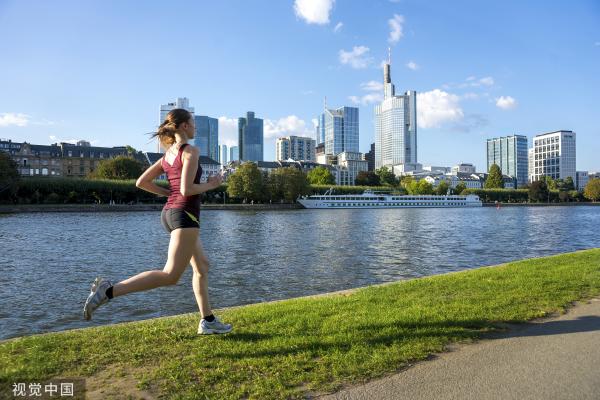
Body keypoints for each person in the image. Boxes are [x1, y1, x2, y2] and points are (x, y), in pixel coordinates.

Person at [83, 108, 232, 335]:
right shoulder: (190, 151)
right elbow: (187, 189)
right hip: (185, 215)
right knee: (171, 275)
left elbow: (142, 182)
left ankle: (208, 320)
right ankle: (109, 291)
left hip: (171, 213)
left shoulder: (168, 155)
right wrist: (212, 184)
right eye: (192, 123)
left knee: (202, 267)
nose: (195, 127)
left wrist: (168, 195)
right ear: (184, 126)